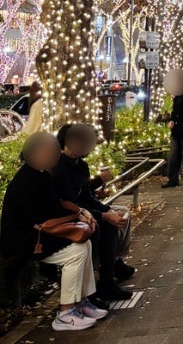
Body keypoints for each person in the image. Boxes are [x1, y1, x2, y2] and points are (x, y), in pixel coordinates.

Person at [0, 132, 107, 331]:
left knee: (85, 243)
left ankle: (81, 301)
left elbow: (54, 207)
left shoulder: (39, 174)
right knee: (76, 252)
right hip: (26, 239)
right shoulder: (28, 180)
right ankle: (66, 312)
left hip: (39, 232)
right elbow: (45, 215)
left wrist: (80, 213)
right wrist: (77, 217)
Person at [51, 124, 134, 301]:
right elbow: (71, 205)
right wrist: (103, 215)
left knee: (118, 216)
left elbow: (86, 197)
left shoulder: (81, 165)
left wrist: (107, 210)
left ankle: (111, 272)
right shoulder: (58, 168)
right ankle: (105, 281)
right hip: (67, 218)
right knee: (104, 226)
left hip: (82, 212)